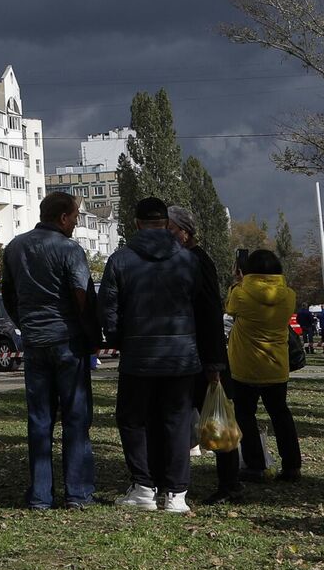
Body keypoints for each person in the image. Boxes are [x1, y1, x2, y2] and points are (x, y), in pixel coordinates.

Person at [100, 198, 220, 514]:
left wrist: (118, 340)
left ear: (136, 223)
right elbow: (204, 308)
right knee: (178, 421)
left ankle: (143, 487)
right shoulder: (188, 260)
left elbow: (108, 310)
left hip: (138, 356)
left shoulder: (120, 260)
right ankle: (177, 494)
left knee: (134, 419)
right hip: (182, 357)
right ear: (165, 223)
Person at [1, 190, 96, 510]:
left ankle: (41, 495)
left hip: (35, 343)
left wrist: (26, 324)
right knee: (75, 418)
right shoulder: (70, 249)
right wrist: (89, 332)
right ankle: (77, 493)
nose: (76, 222)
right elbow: (81, 294)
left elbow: (9, 295)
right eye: (75, 217)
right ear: (63, 218)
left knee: (40, 421)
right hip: (67, 342)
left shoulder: (15, 247)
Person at [212, 250, 301, 502]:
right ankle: (292, 465)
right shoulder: (289, 296)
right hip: (276, 365)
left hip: (246, 366)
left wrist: (238, 281)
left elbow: (229, 308)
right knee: (281, 413)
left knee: (245, 414)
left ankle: (255, 464)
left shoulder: (240, 294)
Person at [165, 206, 227, 464]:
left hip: (201, 348)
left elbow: (211, 309)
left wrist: (213, 359)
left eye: (170, 229)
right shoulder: (180, 260)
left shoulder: (198, 261)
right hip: (188, 348)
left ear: (185, 233)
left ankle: (228, 475)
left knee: (209, 409)